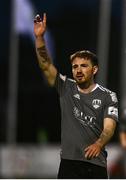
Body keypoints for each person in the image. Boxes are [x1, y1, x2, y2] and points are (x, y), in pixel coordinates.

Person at [34, 13, 118, 179]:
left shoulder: (108, 96)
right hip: (68, 164)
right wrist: (39, 38)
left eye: (84, 66)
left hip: (95, 164)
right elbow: (45, 65)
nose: (78, 70)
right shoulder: (66, 87)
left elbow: (109, 128)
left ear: (94, 70)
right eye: (75, 67)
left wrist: (98, 144)